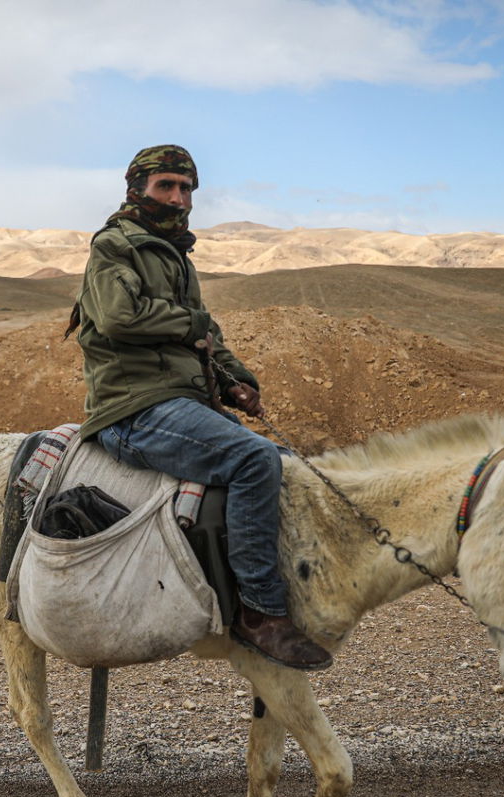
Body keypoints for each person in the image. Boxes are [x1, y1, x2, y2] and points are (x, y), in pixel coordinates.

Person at [66, 144, 332, 671]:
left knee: (290, 467)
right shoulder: (115, 246)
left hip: (182, 402)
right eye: (165, 186)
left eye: (186, 188)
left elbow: (206, 337)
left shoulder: (175, 257)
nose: (178, 198)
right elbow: (120, 318)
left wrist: (238, 381)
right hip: (134, 408)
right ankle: (259, 613)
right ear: (137, 189)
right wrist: (192, 325)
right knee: (254, 460)